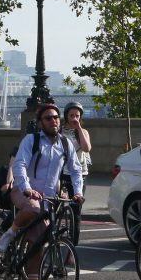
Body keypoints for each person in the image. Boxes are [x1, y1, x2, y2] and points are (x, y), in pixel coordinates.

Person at [0, 102, 85, 280]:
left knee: (39, 243)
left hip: (47, 198)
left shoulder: (65, 144)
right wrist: (26, 187)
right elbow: (19, 164)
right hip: (22, 191)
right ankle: (9, 234)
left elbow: (76, 169)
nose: (53, 121)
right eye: (48, 118)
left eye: (55, 117)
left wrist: (77, 192)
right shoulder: (32, 140)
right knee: (32, 207)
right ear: (40, 123)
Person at [60, 101, 91, 245]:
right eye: (71, 115)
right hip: (61, 173)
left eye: (77, 116)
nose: (74, 118)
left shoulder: (83, 132)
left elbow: (86, 148)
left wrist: (78, 127)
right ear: (66, 116)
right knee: (54, 207)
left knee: (75, 211)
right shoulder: (60, 131)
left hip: (79, 174)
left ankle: (72, 247)